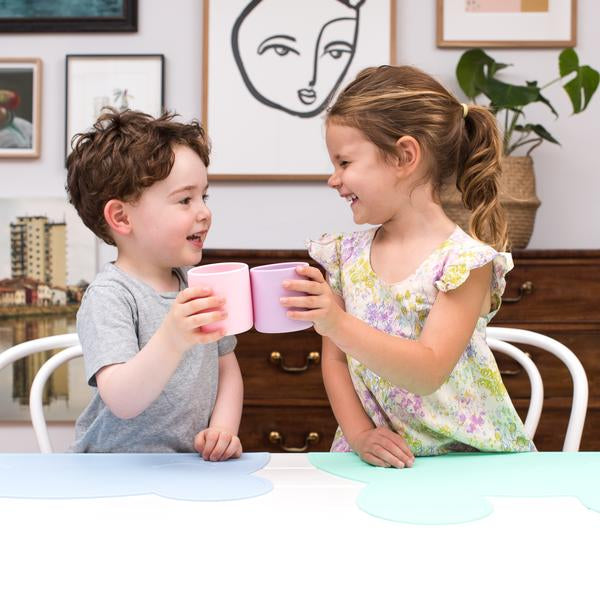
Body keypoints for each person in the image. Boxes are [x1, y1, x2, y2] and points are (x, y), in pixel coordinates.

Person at [282, 65, 534, 468]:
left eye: (344, 162)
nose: (334, 179)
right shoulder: (343, 257)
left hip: (468, 461)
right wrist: (360, 435)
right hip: (380, 459)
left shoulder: (464, 263)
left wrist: (336, 323)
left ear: (404, 156)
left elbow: (428, 371)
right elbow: (335, 361)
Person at [65, 109, 243, 459]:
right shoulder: (109, 296)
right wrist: (172, 339)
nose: (204, 212)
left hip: (186, 466)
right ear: (121, 217)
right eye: (185, 200)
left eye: (204, 197)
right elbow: (122, 400)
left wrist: (223, 429)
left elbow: (228, 370)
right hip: (112, 469)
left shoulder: (198, 286)